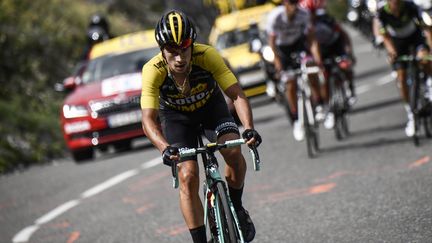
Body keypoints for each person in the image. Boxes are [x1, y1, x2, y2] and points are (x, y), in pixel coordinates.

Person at [140, 10, 262, 243]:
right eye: (172, 52)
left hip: (210, 109)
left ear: (192, 45)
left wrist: (248, 128)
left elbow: (237, 95)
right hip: (176, 119)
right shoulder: (152, 71)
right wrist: (165, 148)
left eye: (184, 49)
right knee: (188, 175)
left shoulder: (207, 56)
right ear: (161, 51)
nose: (180, 58)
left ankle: (236, 208)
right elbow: (148, 119)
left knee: (233, 151)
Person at [266, 0, 324, 141]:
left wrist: (317, 58)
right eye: (290, 3)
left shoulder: (304, 14)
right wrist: (278, 63)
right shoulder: (275, 17)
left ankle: (319, 103)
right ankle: (297, 118)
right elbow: (272, 44)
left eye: (295, 3)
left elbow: (311, 40)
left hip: (298, 46)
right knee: (290, 83)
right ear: (284, 4)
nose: (293, 7)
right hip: (282, 50)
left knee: (311, 68)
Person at [377, 0, 432, 137]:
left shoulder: (410, 7)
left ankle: (430, 84)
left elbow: (426, 29)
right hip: (398, 43)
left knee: (424, 59)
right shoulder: (382, 12)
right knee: (401, 78)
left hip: (415, 38)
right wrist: (391, 51)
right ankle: (411, 113)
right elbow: (384, 35)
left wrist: (430, 49)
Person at [299, 0, 357, 129]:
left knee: (344, 65)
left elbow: (344, 35)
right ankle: (326, 105)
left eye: (311, 13)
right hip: (319, 52)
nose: (309, 15)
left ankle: (349, 87)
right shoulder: (302, 25)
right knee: (323, 76)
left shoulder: (326, 19)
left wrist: (348, 53)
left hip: (335, 45)